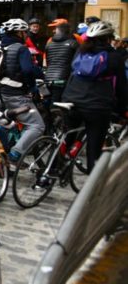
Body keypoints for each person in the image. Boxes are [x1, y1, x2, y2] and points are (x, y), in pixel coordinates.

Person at [0, 19, 45, 164]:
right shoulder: (21, 48)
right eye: (24, 32)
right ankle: (15, 153)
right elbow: (27, 70)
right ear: (19, 33)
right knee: (36, 125)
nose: (26, 35)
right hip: (15, 95)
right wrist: (32, 87)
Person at [62, 21, 127, 171]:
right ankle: (92, 185)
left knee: (68, 135)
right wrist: (123, 109)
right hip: (97, 106)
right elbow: (122, 87)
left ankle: (52, 168)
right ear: (108, 38)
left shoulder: (80, 52)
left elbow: (71, 72)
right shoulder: (114, 57)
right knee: (94, 146)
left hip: (71, 99)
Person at [44, 19, 79, 102]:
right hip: (63, 79)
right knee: (59, 103)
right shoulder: (73, 43)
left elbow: (48, 62)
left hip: (48, 78)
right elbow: (77, 63)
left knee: (49, 101)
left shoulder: (49, 44)